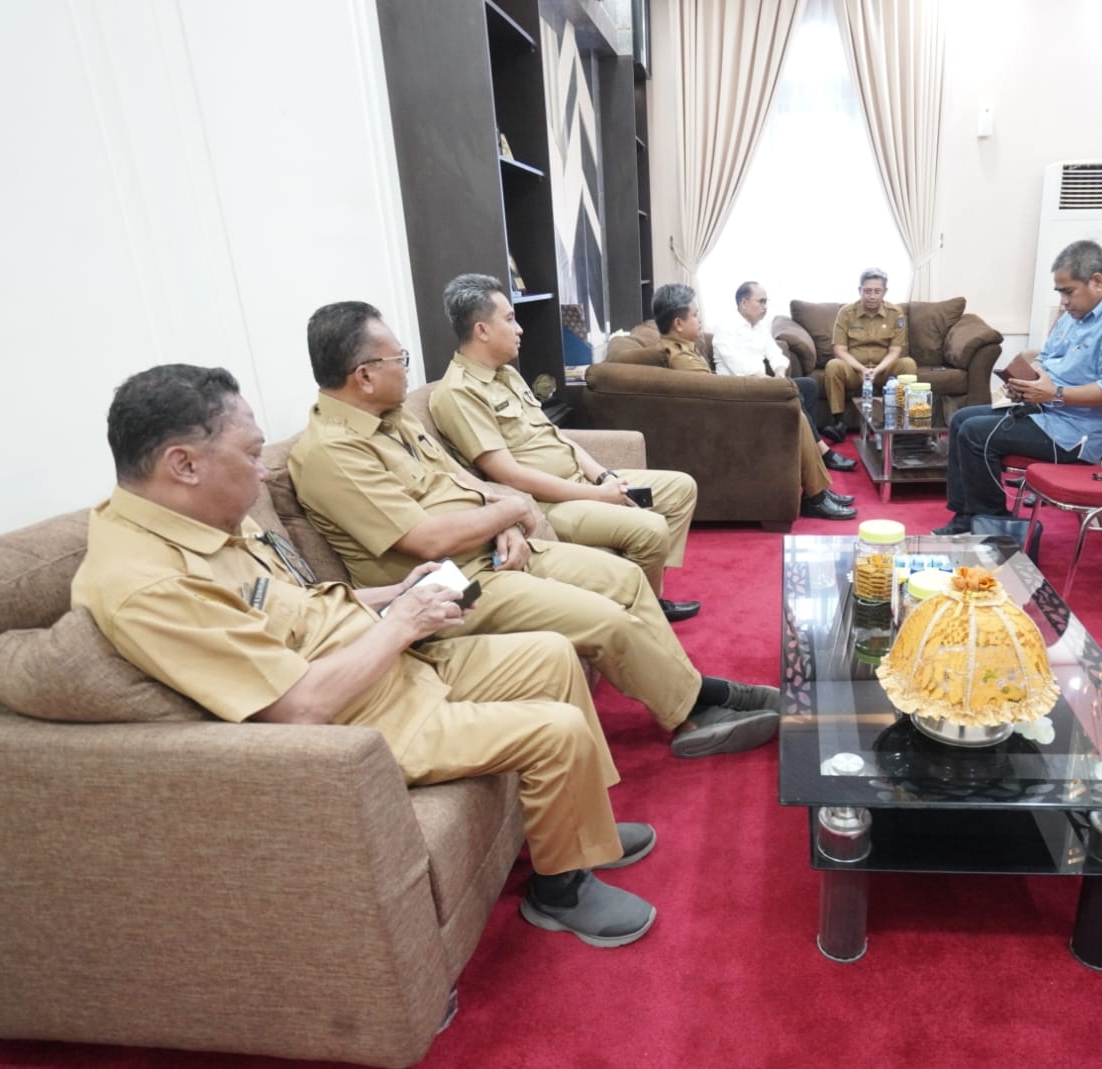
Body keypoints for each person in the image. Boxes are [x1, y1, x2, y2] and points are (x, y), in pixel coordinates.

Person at [72, 364, 660, 947]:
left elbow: (296, 604)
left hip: (383, 662)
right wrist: (402, 623)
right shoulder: (147, 584)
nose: (260, 474)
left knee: (551, 655)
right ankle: (559, 894)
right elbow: (298, 707)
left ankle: (580, 832)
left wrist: (398, 594)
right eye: (251, 455)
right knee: (554, 730)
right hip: (360, 717)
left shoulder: (202, 517)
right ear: (183, 464)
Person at [287, 301, 781, 759]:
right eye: (400, 358)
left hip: (499, 549)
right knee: (605, 620)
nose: (407, 367)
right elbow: (429, 540)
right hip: (456, 587)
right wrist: (512, 511)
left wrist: (504, 514)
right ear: (365, 376)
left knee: (627, 580)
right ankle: (693, 714)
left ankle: (691, 692)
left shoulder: (393, 418)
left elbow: (464, 481)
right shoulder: (334, 453)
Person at [428, 275, 701, 622]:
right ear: (482, 330)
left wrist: (603, 476)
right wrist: (598, 496)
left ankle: (646, 594)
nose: (520, 329)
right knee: (651, 528)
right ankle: (645, 615)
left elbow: (556, 437)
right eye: (510, 319)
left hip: (578, 482)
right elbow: (508, 474)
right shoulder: (458, 393)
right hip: (549, 504)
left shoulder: (507, 375)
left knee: (680, 488)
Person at [935, 240, 1102, 534]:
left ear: (1097, 282)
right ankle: (965, 518)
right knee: (962, 419)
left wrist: (1055, 394)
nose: (1063, 301)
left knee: (976, 435)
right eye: (1060, 292)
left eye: (1068, 291)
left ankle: (992, 526)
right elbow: (1046, 361)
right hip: (1044, 410)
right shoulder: (1073, 318)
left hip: (1074, 436)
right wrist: (1026, 383)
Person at [652, 282, 856, 521]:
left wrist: (777, 377)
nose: (700, 320)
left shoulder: (683, 347)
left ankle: (818, 491)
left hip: (735, 398)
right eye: (695, 315)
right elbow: (711, 393)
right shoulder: (682, 356)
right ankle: (816, 495)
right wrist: (771, 386)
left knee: (800, 395)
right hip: (734, 408)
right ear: (678, 324)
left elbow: (712, 388)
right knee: (795, 413)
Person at [714, 280, 857, 474]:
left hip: (761, 384)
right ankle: (821, 451)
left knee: (809, 385)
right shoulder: (726, 328)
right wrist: (775, 384)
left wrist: (780, 373)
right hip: (739, 390)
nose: (765, 307)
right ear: (744, 303)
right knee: (792, 393)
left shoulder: (758, 327)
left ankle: (804, 446)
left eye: (766, 302)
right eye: (761, 301)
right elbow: (738, 366)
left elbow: (776, 354)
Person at [820, 268, 915, 442]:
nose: (872, 296)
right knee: (833, 366)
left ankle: (903, 424)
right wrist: (862, 369)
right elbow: (840, 350)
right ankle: (839, 423)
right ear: (860, 290)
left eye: (877, 291)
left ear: (884, 292)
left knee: (908, 364)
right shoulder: (846, 313)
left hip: (885, 371)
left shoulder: (896, 314)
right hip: (855, 370)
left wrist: (877, 370)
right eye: (867, 291)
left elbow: (895, 351)